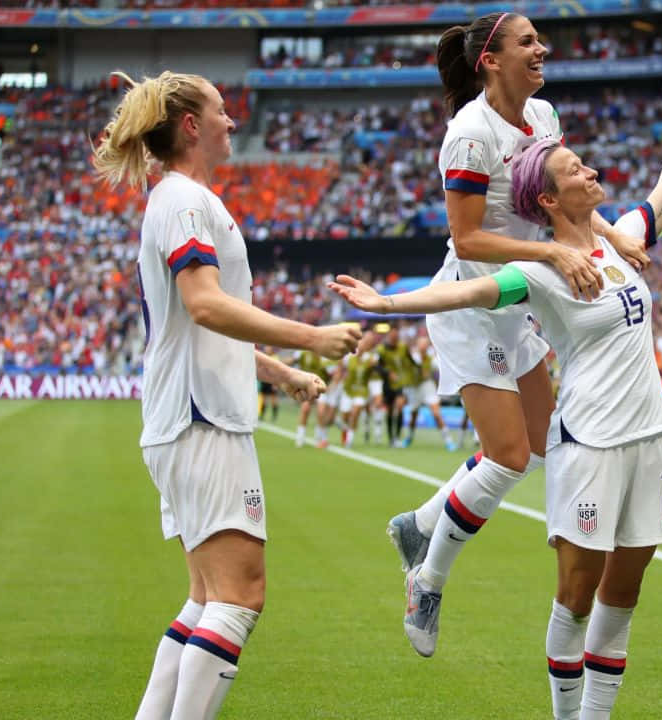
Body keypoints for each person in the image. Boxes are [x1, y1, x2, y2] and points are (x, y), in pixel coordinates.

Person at [330, 53, 662, 717]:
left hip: (650, 443)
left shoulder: (616, 241)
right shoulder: (541, 271)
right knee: (574, 593)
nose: (592, 169)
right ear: (547, 199)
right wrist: (384, 306)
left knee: (622, 597)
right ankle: (435, 565)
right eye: (576, 169)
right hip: (591, 442)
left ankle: (428, 533)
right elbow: (472, 286)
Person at [92, 70, 361, 720]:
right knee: (239, 597)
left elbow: (203, 325)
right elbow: (206, 306)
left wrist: (282, 374)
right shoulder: (184, 200)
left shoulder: (181, 198)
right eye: (221, 110)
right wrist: (310, 338)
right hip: (199, 420)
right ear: (191, 126)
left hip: (186, 418)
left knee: (205, 599)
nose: (232, 122)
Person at [383, 10, 652, 656]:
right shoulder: (469, 136)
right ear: (491, 60)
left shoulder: (545, 118)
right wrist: (551, 257)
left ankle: (420, 524)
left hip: (525, 297)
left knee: (535, 447)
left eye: (539, 39)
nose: (542, 49)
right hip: (473, 306)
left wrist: (610, 236)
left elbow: (565, 202)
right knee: (506, 453)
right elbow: (468, 237)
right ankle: (429, 577)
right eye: (527, 42)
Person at [404, 335, 459, 451]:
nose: (423, 346)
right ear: (417, 345)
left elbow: (441, 370)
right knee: (413, 416)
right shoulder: (413, 357)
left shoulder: (432, 359)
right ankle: (408, 438)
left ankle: (448, 441)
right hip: (414, 388)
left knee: (436, 414)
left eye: (425, 344)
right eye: (421, 343)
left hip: (427, 387)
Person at [292, 349, 332, 448]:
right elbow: (293, 362)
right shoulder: (302, 353)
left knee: (321, 411)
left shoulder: (325, 357)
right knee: (305, 409)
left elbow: (332, 374)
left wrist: (330, 387)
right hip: (306, 386)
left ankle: (320, 438)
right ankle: (300, 436)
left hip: (321, 387)